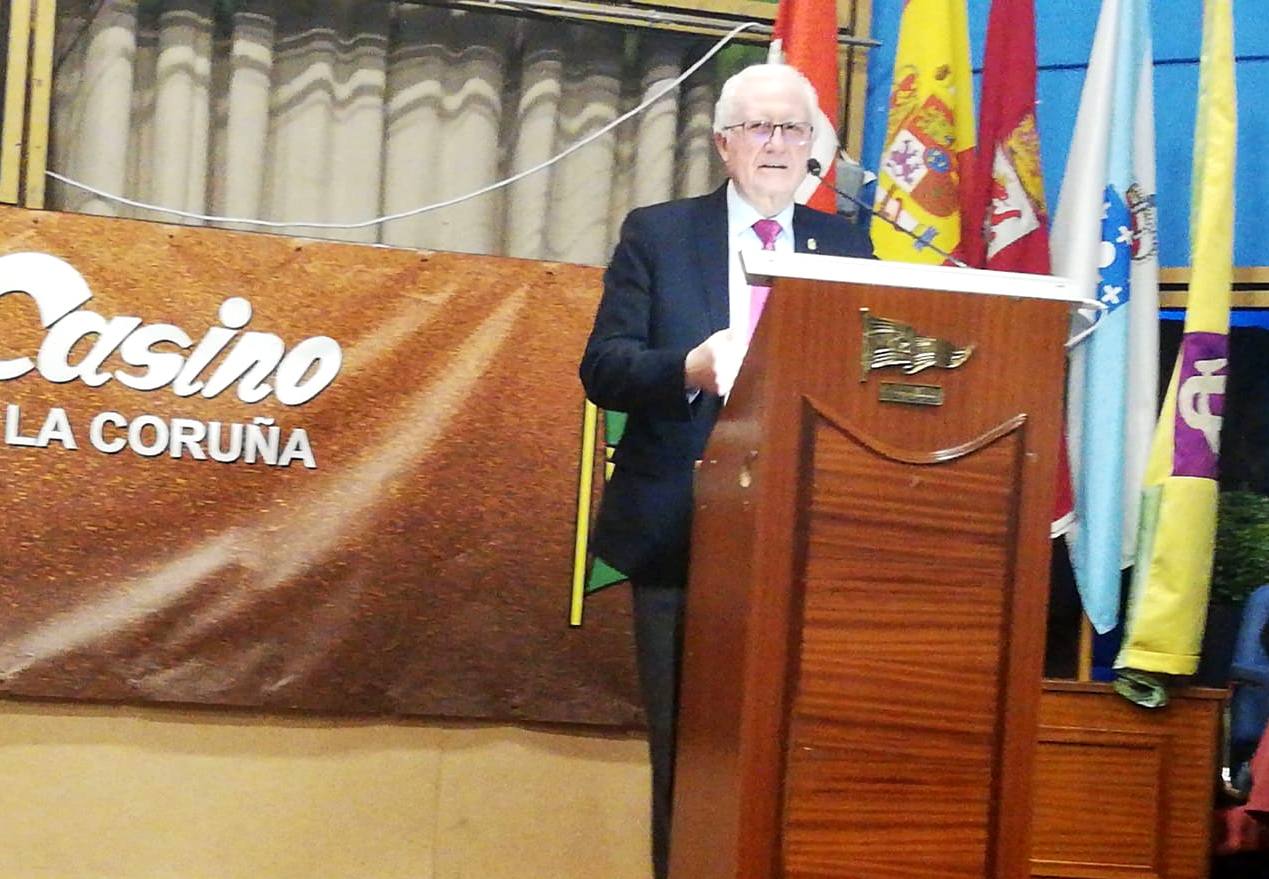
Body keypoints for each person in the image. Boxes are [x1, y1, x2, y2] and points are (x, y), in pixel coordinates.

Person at [579, 62, 875, 879]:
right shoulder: (659, 233)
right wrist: (690, 366)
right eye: (757, 127)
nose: (775, 145)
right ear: (722, 143)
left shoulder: (848, 245)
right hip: (680, 538)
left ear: (814, 147)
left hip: (808, 546)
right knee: (689, 754)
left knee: (788, 753)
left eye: (793, 129)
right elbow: (603, 367)